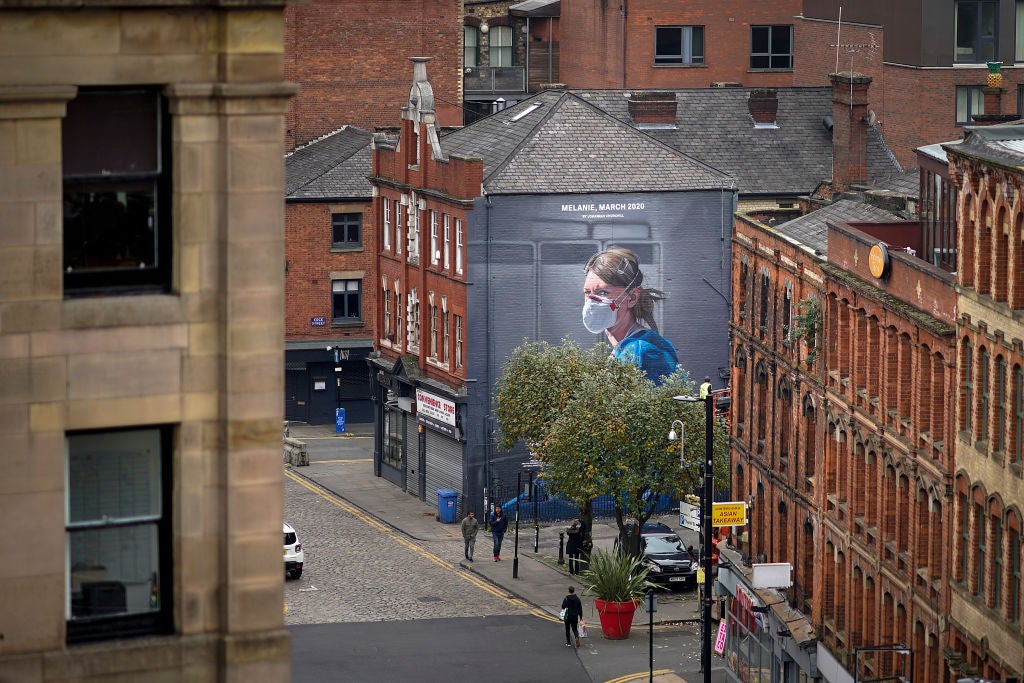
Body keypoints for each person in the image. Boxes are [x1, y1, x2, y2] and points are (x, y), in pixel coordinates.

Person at [582, 246, 679, 385]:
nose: (592, 301)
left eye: (603, 292)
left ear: (632, 297)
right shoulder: (626, 346)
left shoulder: (643, 351)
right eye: (587, 292)